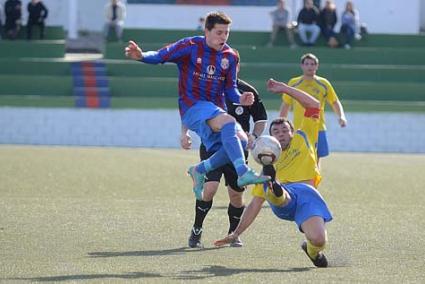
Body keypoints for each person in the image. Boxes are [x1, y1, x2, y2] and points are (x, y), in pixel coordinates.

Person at [125, 12, 270, 199]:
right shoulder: (190, 46)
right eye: (219, 32)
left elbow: (230, 89)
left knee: (241, 142)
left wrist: (240, 99)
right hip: (192, 107)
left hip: (215, 109)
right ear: (206, 31)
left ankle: (199, 170)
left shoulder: (231, 56)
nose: (223, 37)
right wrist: (142, 55)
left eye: (226, 33)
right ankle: (243, 172)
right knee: (229, 121)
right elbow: (161, 56)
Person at [214, 78, 333, 268]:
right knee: (273, 188)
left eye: (285, 130)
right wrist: (236, 233)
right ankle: (276, 188)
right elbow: (255, 204)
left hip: (308, 197)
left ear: (292, 132)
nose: (281, 133)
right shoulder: (266, 164)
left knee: (319, 240)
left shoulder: (304, 136)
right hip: (285, 199)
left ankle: (311, 251)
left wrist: (286, 89)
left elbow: (314, 104)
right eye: (275, 131)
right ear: (271, 138)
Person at [181, 49, 268, 249]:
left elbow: (261, 119)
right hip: (212, 145)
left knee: (236, 195)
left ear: (237, 66)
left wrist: (253, 136)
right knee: (210, 189)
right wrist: (184, 133)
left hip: (238, 148)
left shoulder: (248, 91)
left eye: (232, 65)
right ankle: (196, 229)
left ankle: (233, 233)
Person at [279, 53, 346, 166]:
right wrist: (281, 122)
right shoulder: (294, 83)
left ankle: (314, 183)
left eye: (312, 64)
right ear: (302, 66)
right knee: (297, 157)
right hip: (298, 128)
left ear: (317, 66)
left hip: (318, 127)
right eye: (307, 64)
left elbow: (334, 101)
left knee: (316, 158)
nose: (310, 66)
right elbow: (286, 104)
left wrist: (341, 116)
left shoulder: (324, 84)